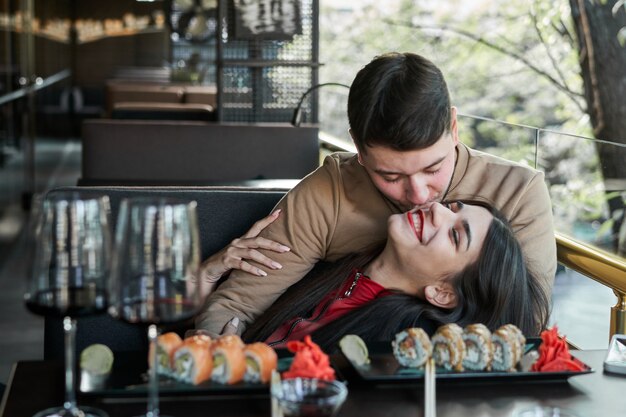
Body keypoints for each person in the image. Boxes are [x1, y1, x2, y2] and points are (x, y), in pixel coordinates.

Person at [195, 51, 556, 337]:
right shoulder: (329, 192)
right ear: (358, 148)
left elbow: (523, 330)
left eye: (433, 169)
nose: (418, 196)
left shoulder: (517, 191)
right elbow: (237, 305)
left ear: (454, 127)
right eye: (390, 175)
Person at [242, 201, 549, 351]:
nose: (437, 210)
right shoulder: (341, 272)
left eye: (456, 235)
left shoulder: (393, 346)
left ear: (443, 292)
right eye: (452, 207)